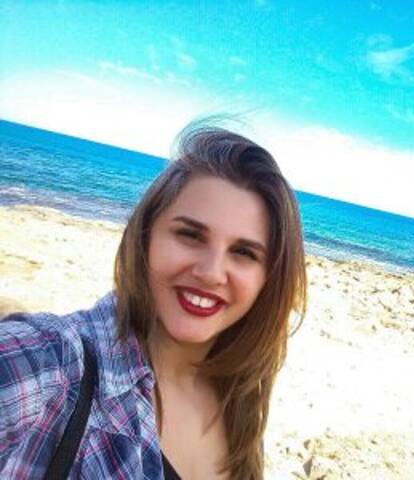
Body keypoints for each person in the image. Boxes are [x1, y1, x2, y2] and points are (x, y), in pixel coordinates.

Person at [0, 121, 307, 479]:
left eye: (243, 252)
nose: (211, 273)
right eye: (190, 235)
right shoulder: (51, 364)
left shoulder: (241, 402)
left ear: (269, 279)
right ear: (146, 236)